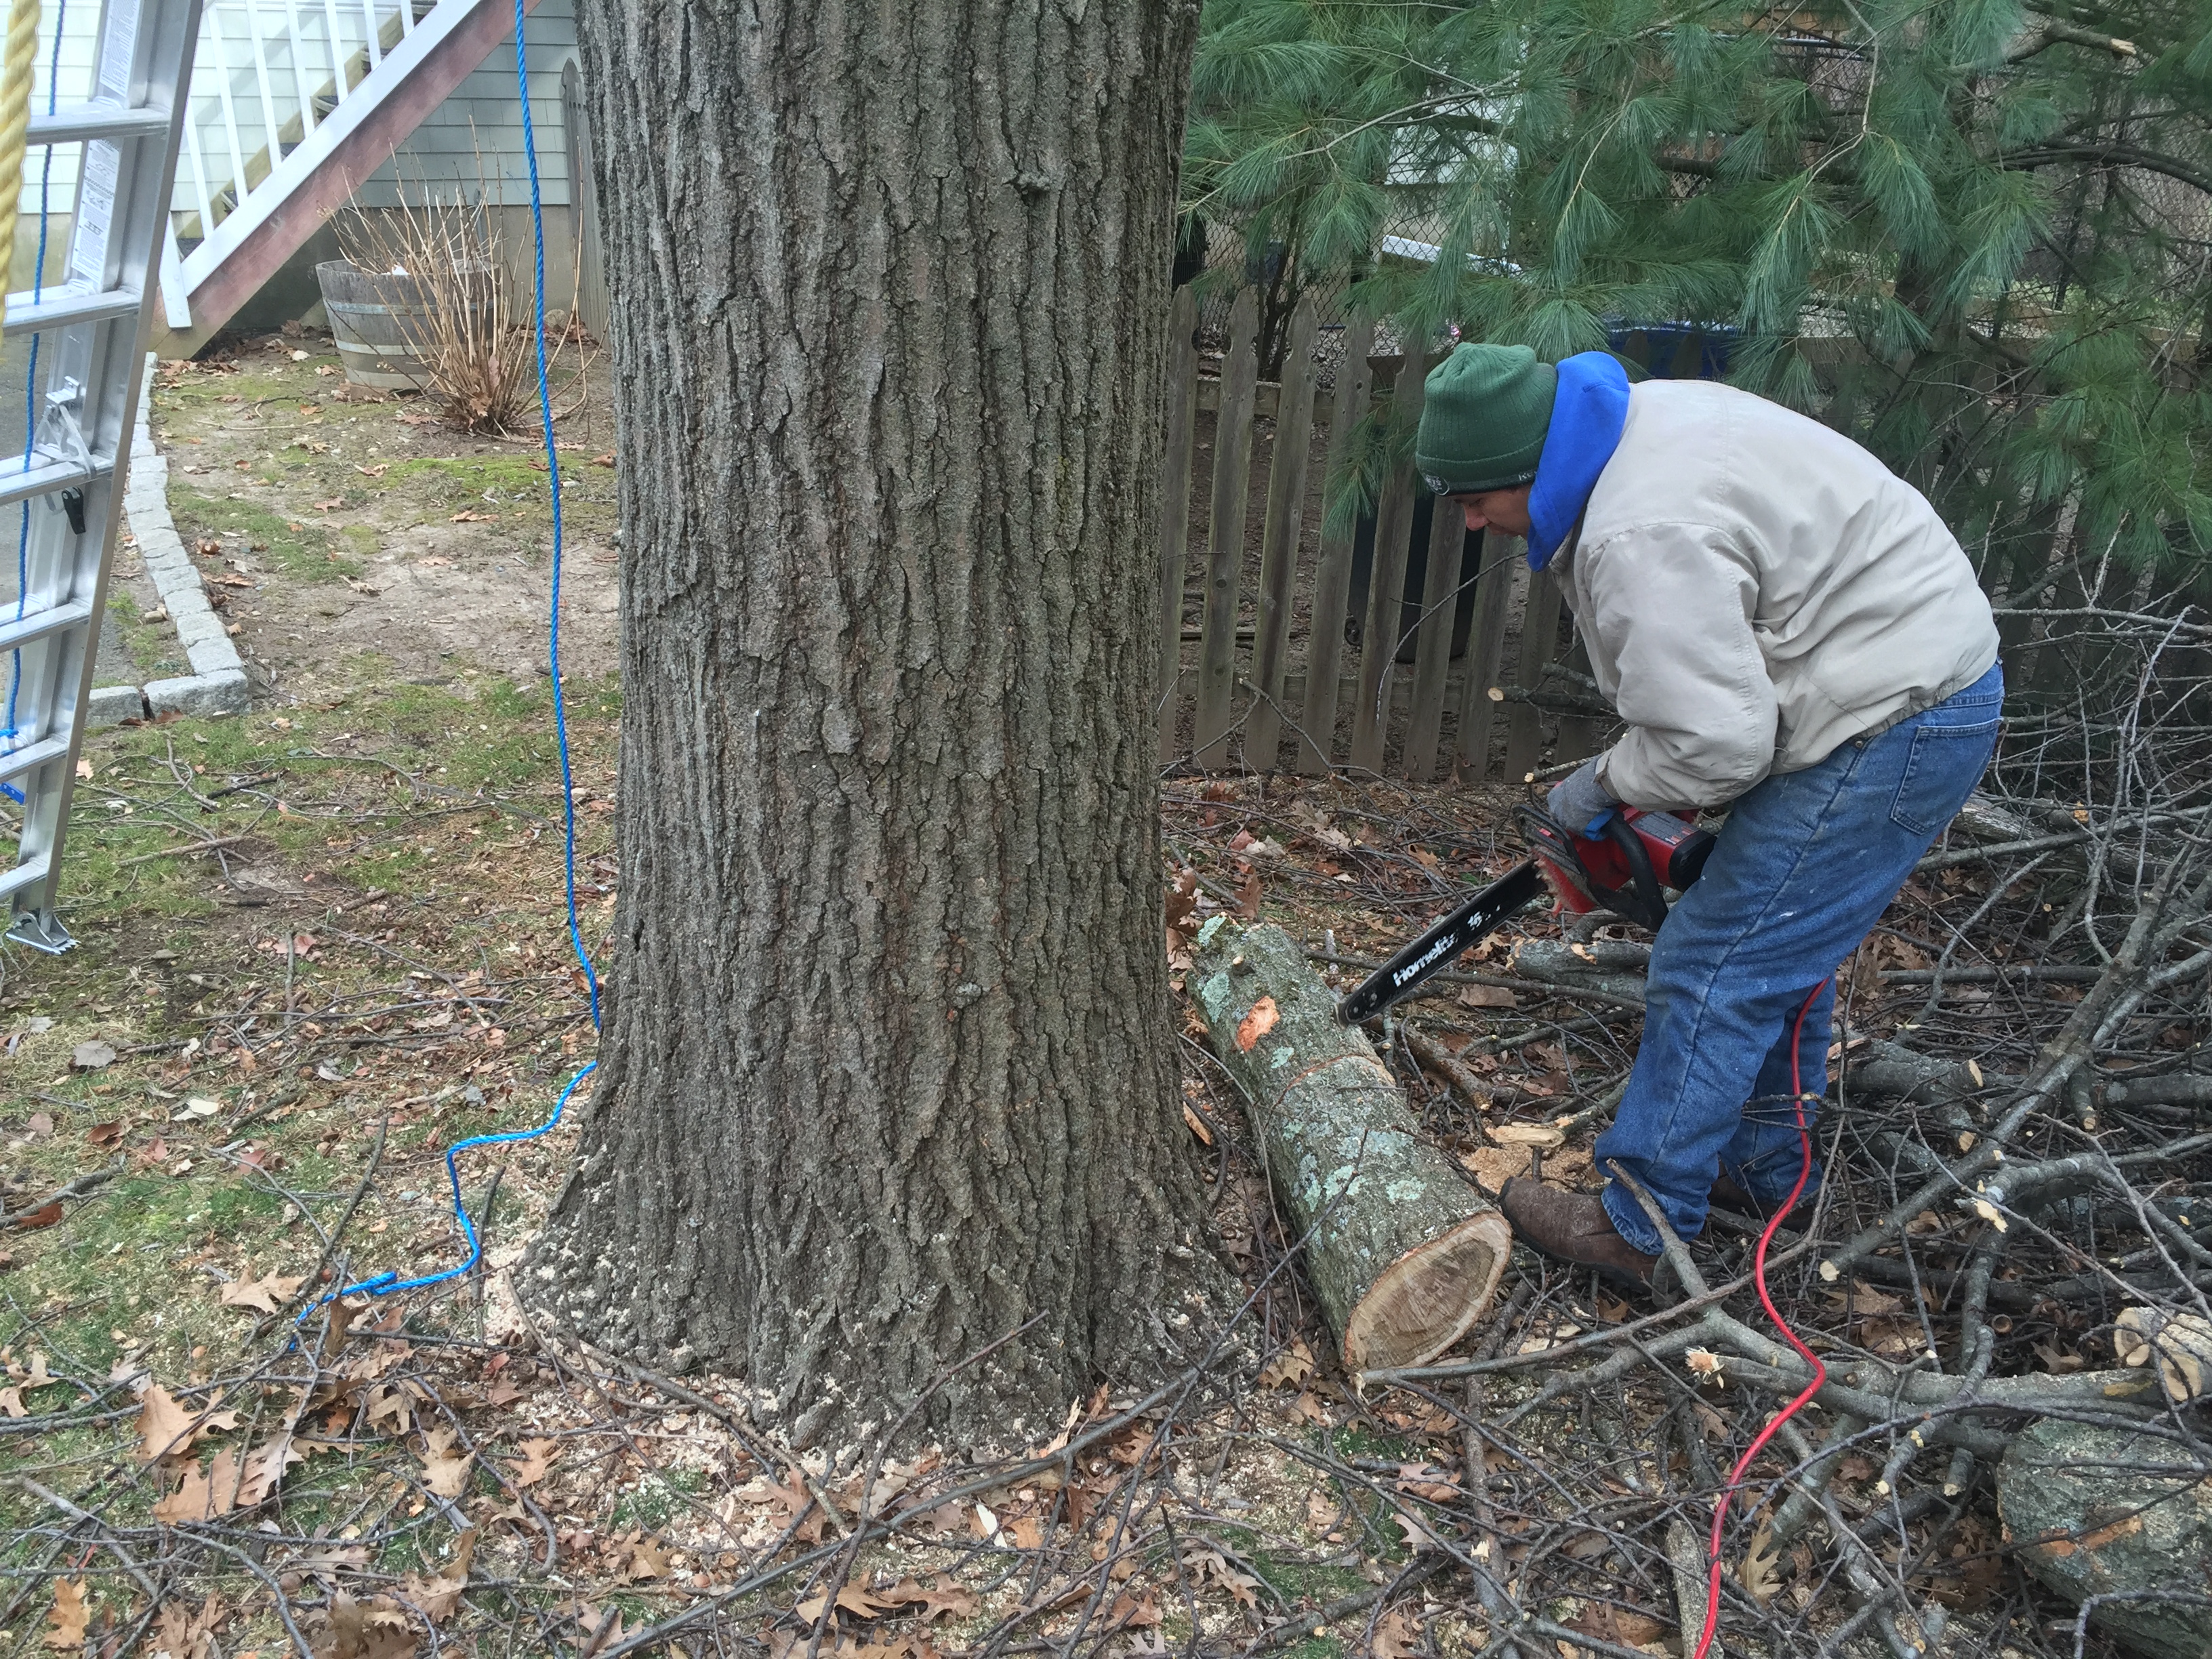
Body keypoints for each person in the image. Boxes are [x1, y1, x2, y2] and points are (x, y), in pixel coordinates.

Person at [1414, 342, 2002, 1290]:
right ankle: (1767, 1169)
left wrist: (1603, 786)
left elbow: (1721, 747)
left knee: (1717, 962)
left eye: (1478, 498)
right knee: (1774, 950)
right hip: (1888, 679)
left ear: (1533, 465)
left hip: (1891, 711)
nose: (1472, 520)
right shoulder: (1632, 427)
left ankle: (1638, 1223)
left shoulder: (1634, 530)